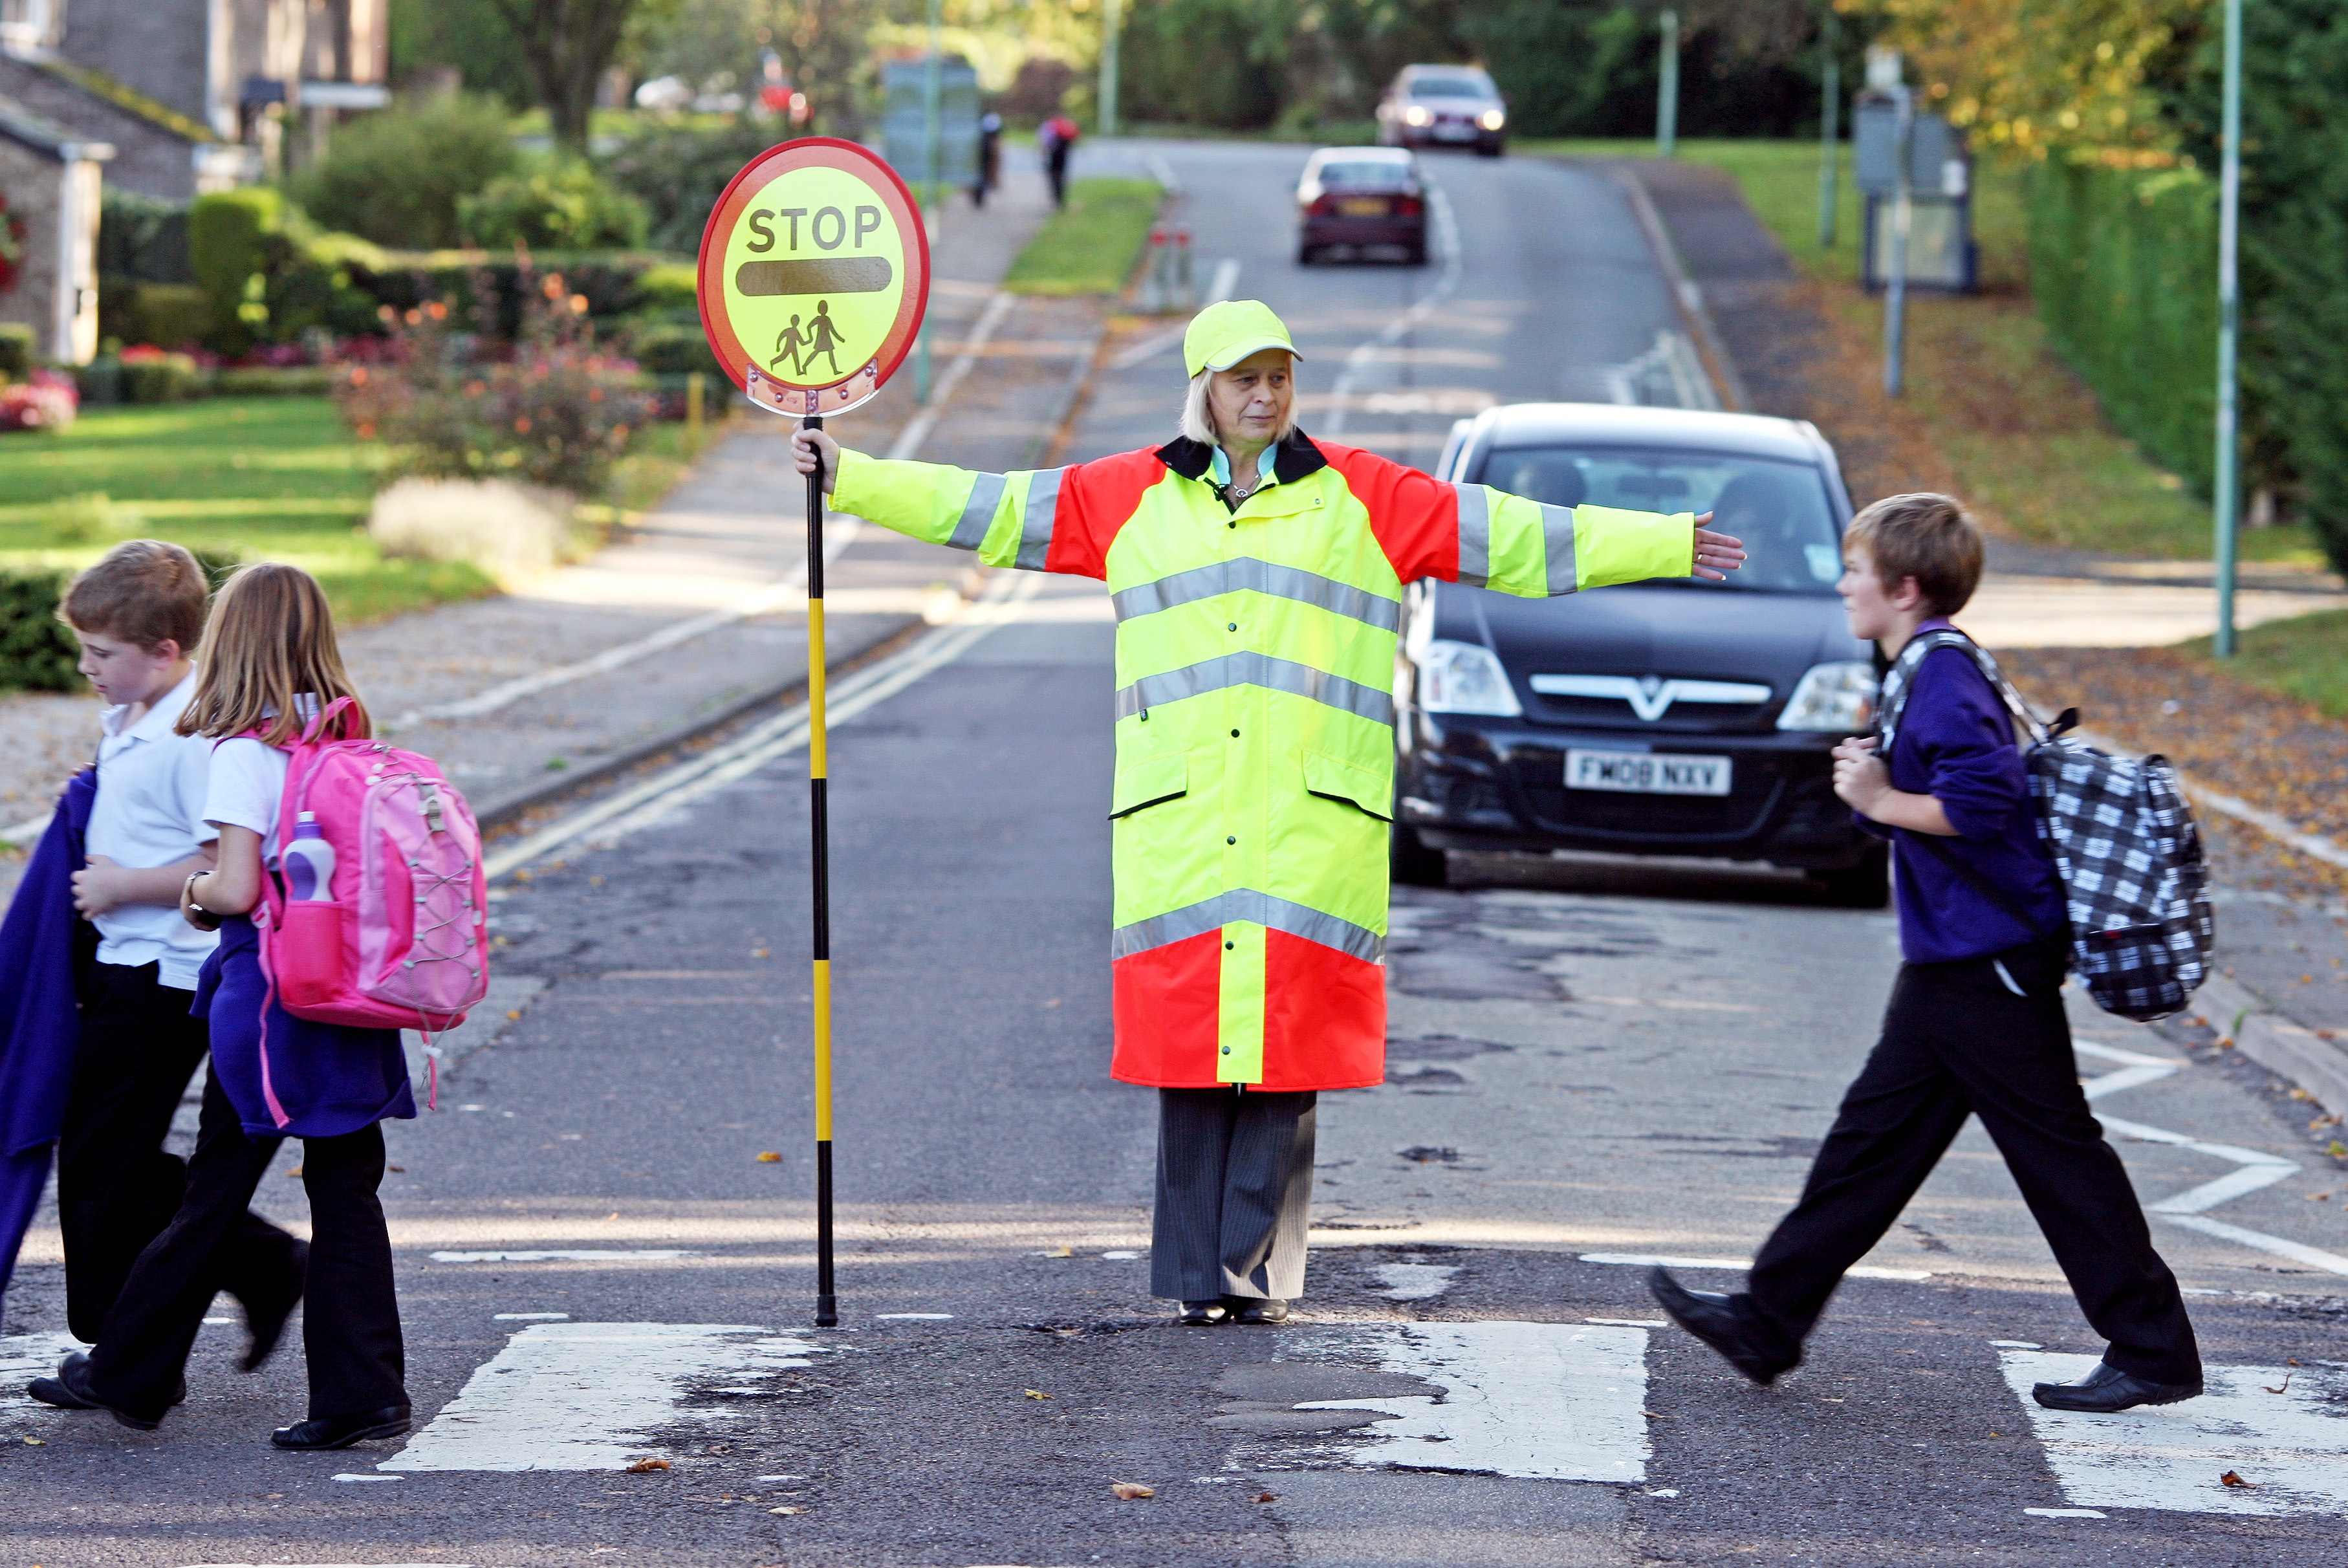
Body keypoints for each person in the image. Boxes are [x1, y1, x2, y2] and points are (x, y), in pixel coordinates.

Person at [792, 299, 1745, 1325]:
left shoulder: (1364, 496)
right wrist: (850, 477)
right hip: (1186, 824)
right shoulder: (1126, 497)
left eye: (1278, 377)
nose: (1263, 394)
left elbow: (1509, 535)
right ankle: (1198, 1280)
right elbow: (985, 507)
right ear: (1203, 387)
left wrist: (1657, 543)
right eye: (1244, 377)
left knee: (1284, 1060)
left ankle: (1253, 1279)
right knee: (1191, 1056)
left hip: (1306, 826)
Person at [1649, 492, 2202, 1415]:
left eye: (1854, 570)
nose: (1841, 584)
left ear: (1903, 587)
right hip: (1959, 957)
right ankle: (1766, 1320)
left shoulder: (1940, 675)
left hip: (1985, 960)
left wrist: (1875, 798)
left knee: (2058, 1159)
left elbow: (1984, 805)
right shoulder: (1926, 665)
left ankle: (2153, 1350)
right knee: (1870, 1148)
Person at [36, 563, 419, 1450]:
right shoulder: (344, 732)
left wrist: (195, 893)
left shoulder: (245, 750)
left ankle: (130, 1374)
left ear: (229, 642)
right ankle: (366, 1390)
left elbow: (239, 887)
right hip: (353, 998)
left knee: (210, 1194)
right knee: (346, 1186)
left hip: (274, 999)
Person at [32, 541, 305, 1380]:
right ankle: (252, 1271)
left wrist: (122, 886)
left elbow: (225, 863)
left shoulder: (191, 736)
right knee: (112, 1152)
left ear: (166, 651)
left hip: (166, 973)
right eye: (84, 650)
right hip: (126, 966)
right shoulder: (144, 718)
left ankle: (130, 1344)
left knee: (103, 1157)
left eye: (102, 653)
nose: (86, 668)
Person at [1039, 111, 1080, 208]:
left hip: (1053, 152)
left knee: (1054, 173)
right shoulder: (1067, 123)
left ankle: (1056, 195)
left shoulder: (1048, 125)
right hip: (1064, 151)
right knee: (1062, 173)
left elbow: (1045, 140)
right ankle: (1061, 197)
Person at [973, 111, 1003, 208]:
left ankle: (980, 194)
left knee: (983, 175)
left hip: (984, 152)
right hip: (985, 153)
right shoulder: (995, 118)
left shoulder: (985, 120)